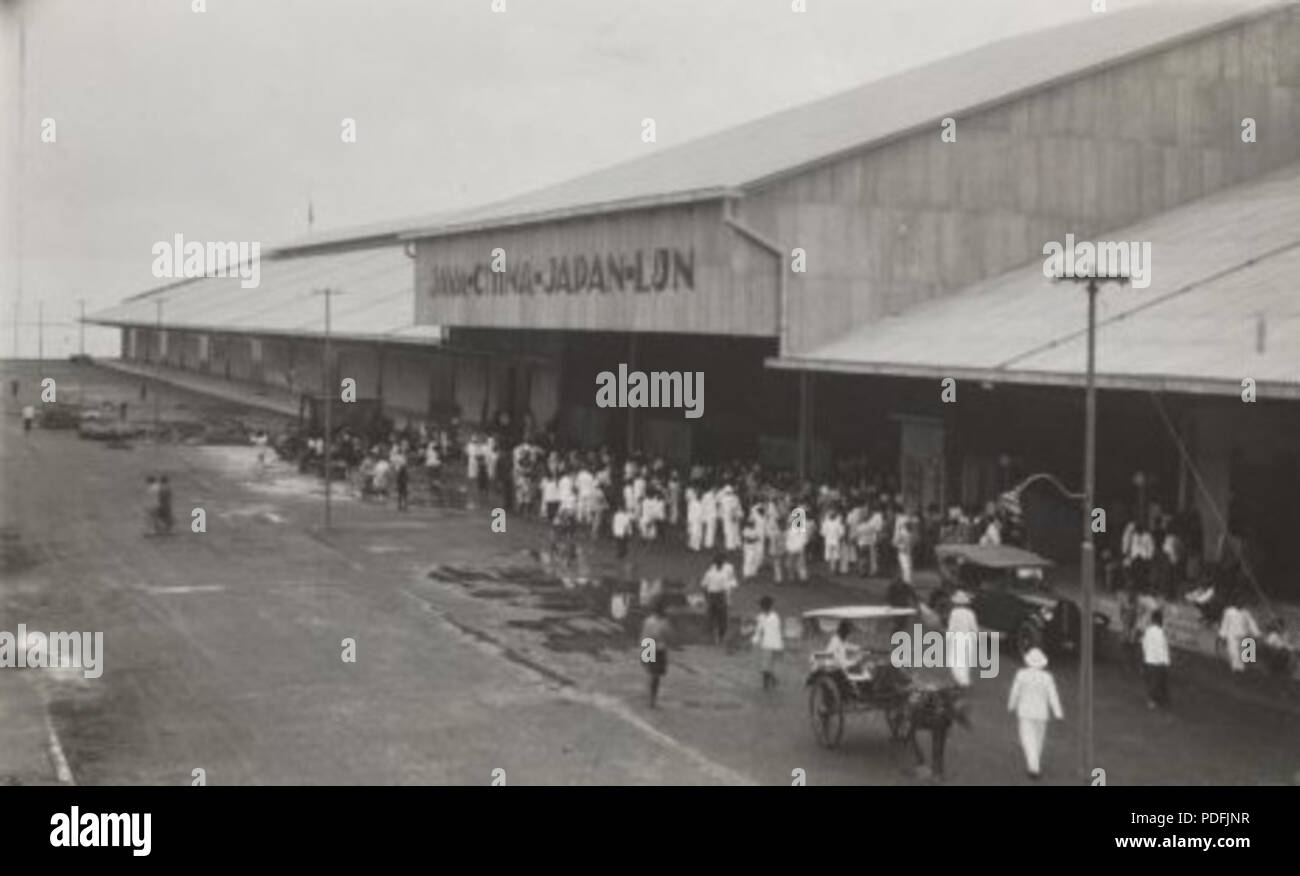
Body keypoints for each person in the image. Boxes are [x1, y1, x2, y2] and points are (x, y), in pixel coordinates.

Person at [1007, 647, 1064, 780]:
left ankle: (1034, 767)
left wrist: (1011, 706)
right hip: (1041, 714)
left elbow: (1015, 692)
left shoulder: (1021, 674)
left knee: (1027, 739)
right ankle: (1034, 763)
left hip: (1025, 712)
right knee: (1038, 740)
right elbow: (1053, 696)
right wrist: (1058, 713)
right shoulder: (1047, 677)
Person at [640, 598, 672, 708]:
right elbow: (667, 637)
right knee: (654, 676)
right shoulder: (661, 622)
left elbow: (644, 636)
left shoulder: (651, 621)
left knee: (653, 675)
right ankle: (652, 698)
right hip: (654, 647)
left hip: (653, 647)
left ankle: (651, 697)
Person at [700, 553, 737, 645]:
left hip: (711, 596)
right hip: (720, 597)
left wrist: (706, 597)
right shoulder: (723, 575)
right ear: (722, 564)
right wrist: (727, 599)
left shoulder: (709, 573)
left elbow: (703, 585)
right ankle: (721, 637)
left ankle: (710, 637)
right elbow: (726, 589)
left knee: (711, 617)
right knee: (722, 618)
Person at [947, 590, 979, 688]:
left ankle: (960, 680)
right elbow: (974, 628)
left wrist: (948, 639)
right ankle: (965, 679)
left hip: (957, 638)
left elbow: (951, 628)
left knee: (956, 660)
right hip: (968, 638)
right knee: (966, 660)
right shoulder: (970, 613)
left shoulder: (954, 613)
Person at [751, 595, 784, 691]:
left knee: (766, 665)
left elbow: (760, 630)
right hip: (775, 644)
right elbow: (759, 629)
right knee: (769, 664)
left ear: (762, 607)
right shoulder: (774, 616)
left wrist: (755, 640)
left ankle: (767, 684)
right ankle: (772, 680)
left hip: (769, 644)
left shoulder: (768, 617)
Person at [1218, 601, 1261, 673]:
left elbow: (1251, 623)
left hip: (1243, 636)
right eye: (1238, 602)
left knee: (1243, 654)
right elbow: (1225, 623)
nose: (1240, 604)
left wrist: (1257, 633)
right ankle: (1235, 669)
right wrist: (1222, 635)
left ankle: (1241, 670)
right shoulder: (1229, 611)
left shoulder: (1246, 613)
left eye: (1241, 602)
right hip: (1232, 635)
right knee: (1233, 652)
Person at [1141, 609, 1171, 708]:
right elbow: (1163, 648)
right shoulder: (1160, 632)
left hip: (1149, 660)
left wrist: (1146, 655)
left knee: (1153, 681)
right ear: (1160, 620)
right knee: (1156, 682)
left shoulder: (1148, 631)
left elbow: (1144, 644)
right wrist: (1166, 662)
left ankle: (1159, 699)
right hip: (1158, 662)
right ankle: (1152, 700)